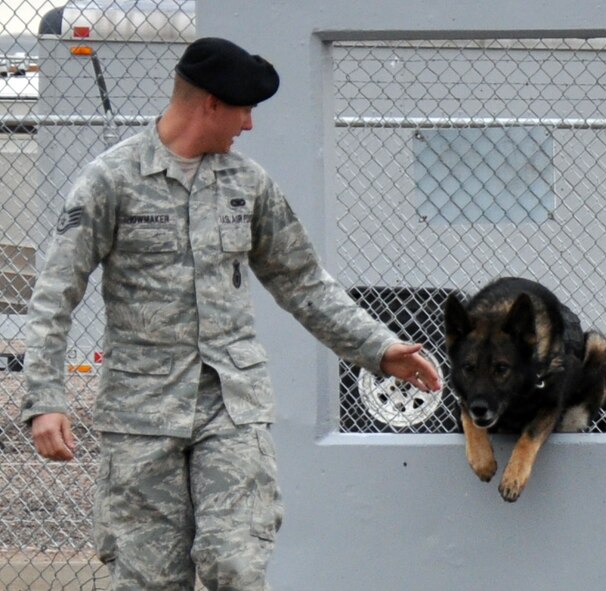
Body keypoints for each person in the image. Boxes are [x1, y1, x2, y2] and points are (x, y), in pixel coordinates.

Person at [21, 37, 441, 590]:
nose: (248, 125)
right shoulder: (111, 181)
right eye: (243, 109)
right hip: (142, 418)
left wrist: (379, 347)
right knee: (150, 580)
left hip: (232, 410)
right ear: (210, 104)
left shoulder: (247, 185)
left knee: (236, 567)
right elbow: (55, 294)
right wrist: (45, 399)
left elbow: (304, 283)